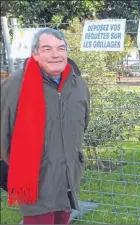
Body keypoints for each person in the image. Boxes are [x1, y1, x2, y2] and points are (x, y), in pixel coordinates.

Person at [1, 28, 90, 224]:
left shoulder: (78, 85)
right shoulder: (15, 84)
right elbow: (2, 131)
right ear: (35, 53)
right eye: (47, 49)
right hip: (35, 180)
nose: (55, 54)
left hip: (68, 177)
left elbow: (82, 124)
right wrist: (19, 163)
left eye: (61, 48)